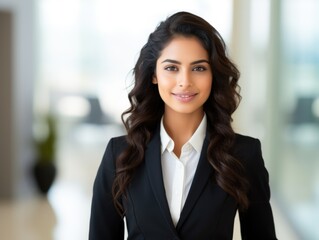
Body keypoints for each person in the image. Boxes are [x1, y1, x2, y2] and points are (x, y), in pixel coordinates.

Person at [89, 11, 277, 239]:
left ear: (213, 74)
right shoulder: (119, 155)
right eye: (171, 68)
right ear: (154, 74)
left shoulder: (243, 155)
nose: (185, 81)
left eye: (199, 68)